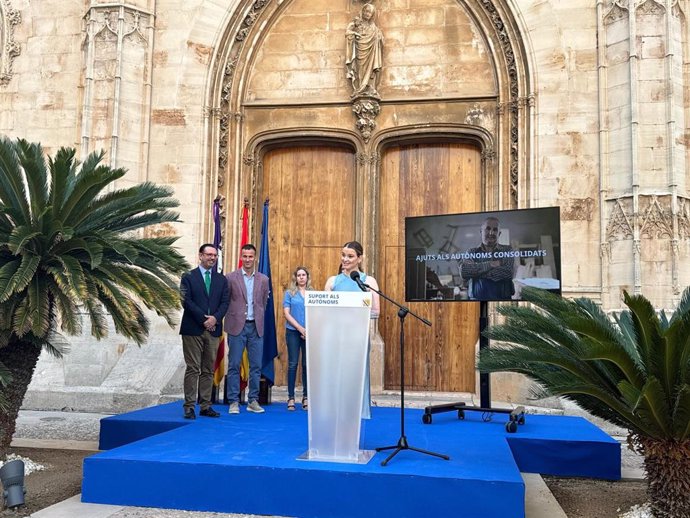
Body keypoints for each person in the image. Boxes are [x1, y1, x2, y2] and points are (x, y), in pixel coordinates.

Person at [325, 241, 380, 419]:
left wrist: (354, 311)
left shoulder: (368, 281)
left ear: (359, 259)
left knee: (356, 377)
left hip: (358, 337)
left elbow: (376, 312)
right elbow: (324, 310)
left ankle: (357, 414)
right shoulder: (332, 282)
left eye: (350, 256)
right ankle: (336, 413)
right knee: (337, 376)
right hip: (336, 337)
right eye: (343, 255)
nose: (345, 259)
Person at [179, 244, 230, 420]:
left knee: (208, 369)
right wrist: (204, 319)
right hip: (193, 329)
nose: (212, 258)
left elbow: (225, 303)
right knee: (193, 368)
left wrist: (215, 319)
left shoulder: (221, 280)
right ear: (200, 256)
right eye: (208, 255)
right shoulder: (188, 277)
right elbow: (186, 301)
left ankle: (206, 405)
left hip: (214, 330)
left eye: (214, 255)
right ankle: (189, 406)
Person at [224, 244, 270, 414]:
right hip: (237, 327)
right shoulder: (230, 278)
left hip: (255, 327)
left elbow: (263, 302)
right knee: (234, 364)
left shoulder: (263, 279)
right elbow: (226, 300)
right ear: (241, 257)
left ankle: (253, 400)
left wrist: (255, 316)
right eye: (245, 256)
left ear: (255, 258)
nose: (248, 259)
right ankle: (234, 401)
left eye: (251, 256)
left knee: (256, 366)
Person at [460, 217, 515, 300]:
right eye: (488, 228)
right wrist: (491, 264)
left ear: (499, 234)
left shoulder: (507, 250)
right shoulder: (472, 252)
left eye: (495, 230)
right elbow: (464, 272)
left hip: (503, 300)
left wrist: (476, 271)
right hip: (476, 301)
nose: (491, 232)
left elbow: (508, 273)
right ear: (481, 232)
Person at [282, 266, 313, 411]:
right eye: (299, 275)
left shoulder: (313, 293)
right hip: (293, 331)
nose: (301, 277)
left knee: (307, 365)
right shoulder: (289, 293)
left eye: (304, 275)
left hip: (310, 332)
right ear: (296, 277)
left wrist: (308, 330)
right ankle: (291, 397)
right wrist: (300, 329)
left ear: (307, 277)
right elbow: (287, 314)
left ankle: (306, 397)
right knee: (293, 363)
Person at [345, 3, 384, 98]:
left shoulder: (374, 27)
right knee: (360, 69)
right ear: (362, 11)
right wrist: (355, 34)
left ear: (372, 15)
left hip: (370, 51)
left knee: (370, 70)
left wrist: (379, 37)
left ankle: (368, 86)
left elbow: (381, 39)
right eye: (366, 11)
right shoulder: (356, 23)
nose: (367, 14)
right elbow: (347, 33)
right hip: (360, 50)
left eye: (370, 12)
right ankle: (360, 88)